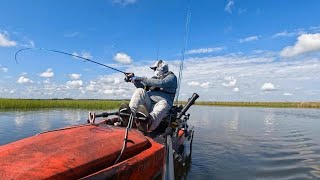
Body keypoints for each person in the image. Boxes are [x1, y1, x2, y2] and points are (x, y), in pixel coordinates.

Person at [121, 60, 177, 132]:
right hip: (149, 104)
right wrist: (133, 79)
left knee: (163, 103)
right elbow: (141, 86)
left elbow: (162, 83)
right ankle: (129, 116)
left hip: (162, 105)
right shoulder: (154, 78)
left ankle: (148, 123)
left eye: (155, 69)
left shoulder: (172, 77)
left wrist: (141, 78)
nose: (154, 71)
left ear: (161, 68)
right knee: (140, 90)